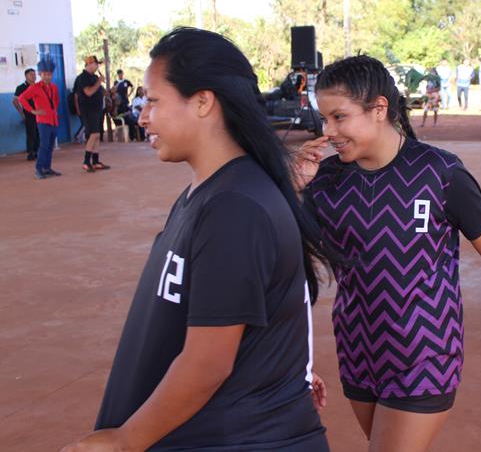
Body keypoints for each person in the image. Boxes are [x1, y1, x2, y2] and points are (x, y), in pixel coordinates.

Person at [61, 28, 331, 451]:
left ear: (203, 102)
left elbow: (207, 363)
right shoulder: (210, 193)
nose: (141, 116)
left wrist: (125, 441)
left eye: (153, 100)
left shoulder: (236, 207)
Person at [297, 55, 481, 452]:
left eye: (339, 117)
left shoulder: (439, 172)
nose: (328, 131)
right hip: (358, 348)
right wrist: (294, 188)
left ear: (378, 109)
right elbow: (287, 254)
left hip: (426, 352)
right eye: (324, 119)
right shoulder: (326, 181)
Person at [17, 60, 61, 180]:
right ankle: (38, 169)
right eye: (45, 74)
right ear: (40, 75)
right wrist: (33, 111)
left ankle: (47, 168)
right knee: (44, 145)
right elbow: (22, 98)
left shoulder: (54, 87)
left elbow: (56, 101)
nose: (47, 77)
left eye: (49, 74)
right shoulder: (35, 88)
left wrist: (54, 111)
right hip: (42, 121)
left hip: (53, 120)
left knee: (50, 145)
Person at [74, 55, 111, 172]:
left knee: (98, 135)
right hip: (88, 110)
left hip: (97, 109)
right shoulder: (82, 78)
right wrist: (99, 82)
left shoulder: (95, 77)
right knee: (93, 134)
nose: (97, 66)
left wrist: (109, 91)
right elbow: (88, 92)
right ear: (89, 64)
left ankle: (95, 161)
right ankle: (86, 161)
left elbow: (101, 92)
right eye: (95, 64)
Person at [12, 68, 39, 161]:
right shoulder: (21, 87)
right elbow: (15, 101)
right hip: (29, 113)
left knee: (39, 132)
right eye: (31, 74)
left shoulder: (38, 86)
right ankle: (30, 152)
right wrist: (22, 113)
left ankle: (37, 151)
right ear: (26, 76)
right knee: (31, 133)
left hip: (39, 113)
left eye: (34, 74)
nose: (34, 76)